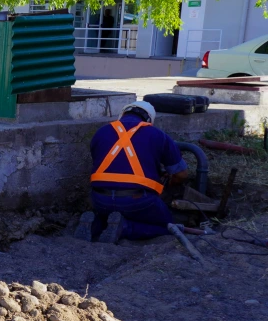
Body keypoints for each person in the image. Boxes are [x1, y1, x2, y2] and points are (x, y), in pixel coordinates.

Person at [76, 101, 189, 243]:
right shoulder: (158, 135)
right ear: (149, 120)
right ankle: (125, 228)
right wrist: (171, 181)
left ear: (122, 114)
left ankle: (94, 226)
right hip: (138, 201)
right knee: (167, 226)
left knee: (110, 216)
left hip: (100, 200)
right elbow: (182, 174)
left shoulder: (101, 132)